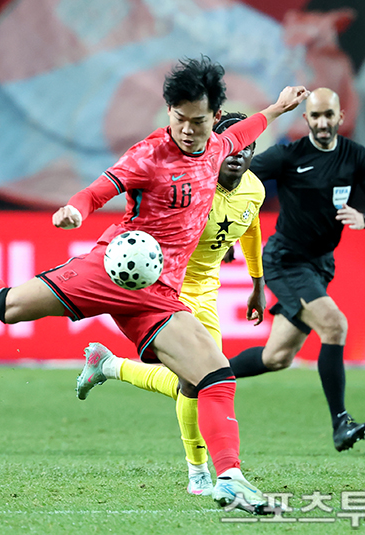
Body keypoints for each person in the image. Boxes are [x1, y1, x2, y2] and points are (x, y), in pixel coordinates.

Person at [0, 56, 308, 515]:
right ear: (169, 111)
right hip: (109, 271)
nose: (188, 130)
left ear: (213, 116)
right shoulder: (148, 155)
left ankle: (229, 480)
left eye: (199, 121)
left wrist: (279, 107)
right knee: (8, 307)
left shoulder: (220, 146)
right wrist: (76, 210)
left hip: (158, 294)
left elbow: (248, 129)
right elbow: (96, 191)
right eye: (180, 119)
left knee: (215, 374)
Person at [75, 112, 267, 497]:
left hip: (206, 288)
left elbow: (250, 227)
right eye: (231, 146)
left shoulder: (254, 190)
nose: (237, 154)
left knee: (196, 379)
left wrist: (257, 283)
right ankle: (198, 473)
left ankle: (108, 365)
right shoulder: (192, 182)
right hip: (168, 286)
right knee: (204, 378)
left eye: (246, 148)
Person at [228, 87, 365, 452]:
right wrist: (227, 233)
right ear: (306, 119)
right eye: (315, 116)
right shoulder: (289, 155)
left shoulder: (356, 156)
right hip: (286, 261)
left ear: (339, 117)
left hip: (320, 264)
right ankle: (340, 423)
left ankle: (207, 375)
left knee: (277, 357)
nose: (322, 122)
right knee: (335, 325)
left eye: (328, 115)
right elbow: (236, 177)